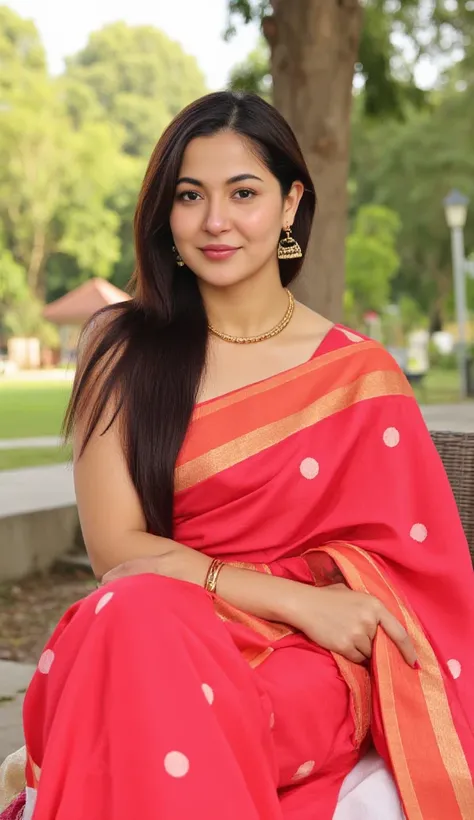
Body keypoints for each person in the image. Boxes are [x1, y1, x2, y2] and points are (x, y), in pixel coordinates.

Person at [1, 91, 473, 820]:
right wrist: (294, 599)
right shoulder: (123, 350)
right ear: (166, 213)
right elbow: (117, 552)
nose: (215, 221)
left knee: (132, 656)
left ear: (290, 205)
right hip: (158, 627)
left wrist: (315, 613)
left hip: (307, 664)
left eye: (243, 193)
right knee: (134, 613)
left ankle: (48, 765)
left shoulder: (358, 374)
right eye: (191, 195)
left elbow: (419, 576)